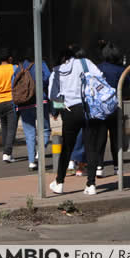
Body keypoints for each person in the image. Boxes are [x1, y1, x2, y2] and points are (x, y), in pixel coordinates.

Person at [48, 45, 107, 195]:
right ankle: (91, 185)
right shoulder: (85, 63)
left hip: (69, 111)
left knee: (67, 147)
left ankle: (59, 182)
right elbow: (100, 77)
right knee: (91, 146)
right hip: (88, 108)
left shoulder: (56, 72)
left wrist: (64, 107)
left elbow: (53, 97)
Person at [15, 49, 52, 171]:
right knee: (45, 130)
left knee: (29, 133)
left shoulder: (19, 67)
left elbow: (13, 84)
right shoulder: (41, 64)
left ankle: (31, 161)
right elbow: (47, 78)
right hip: (41, 101)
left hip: (24, 103)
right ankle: (39, 153)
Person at [96, 42, 128, 176]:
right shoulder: (121, 70)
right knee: (116, 138)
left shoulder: (97, 69)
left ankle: (99, 167)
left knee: (100, 138)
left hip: (100, 108)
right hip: (116, 108)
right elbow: (127, 88)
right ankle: (117, 166)